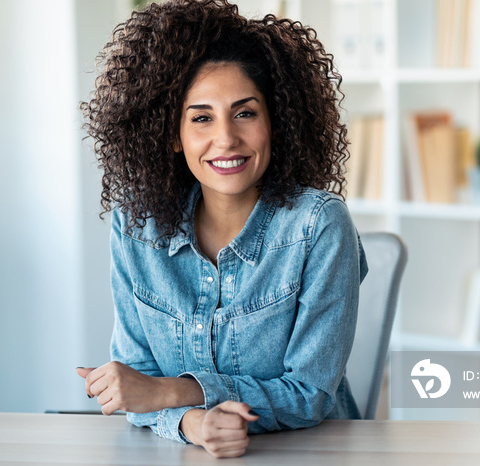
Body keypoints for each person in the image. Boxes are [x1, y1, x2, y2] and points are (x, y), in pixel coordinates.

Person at [77, 0, 368, 458]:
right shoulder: (135, 226)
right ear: (172, 135)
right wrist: (193, 424)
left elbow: (310, 395)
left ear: (277, 123)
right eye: (201, 118)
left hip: (312, 453)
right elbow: (136, 387)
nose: (226, 138)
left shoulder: (318, 224)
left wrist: (174, 393)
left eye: (245, 113)